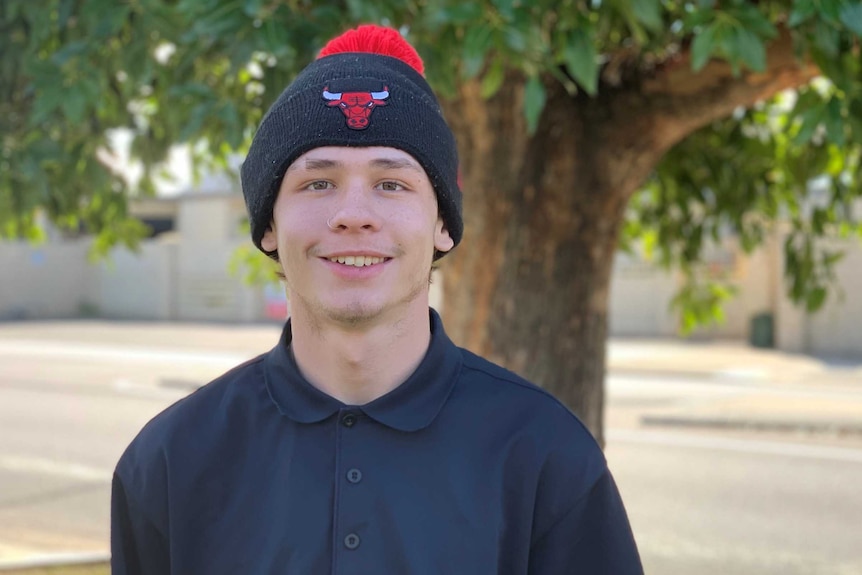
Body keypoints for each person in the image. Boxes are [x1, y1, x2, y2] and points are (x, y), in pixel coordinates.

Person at [111, 24, 643, 574]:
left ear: (442, 224)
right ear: (269, 225)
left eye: (392, 183)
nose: (354, 213)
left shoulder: (546, 455)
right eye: (318, 183)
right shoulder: (170, 461)